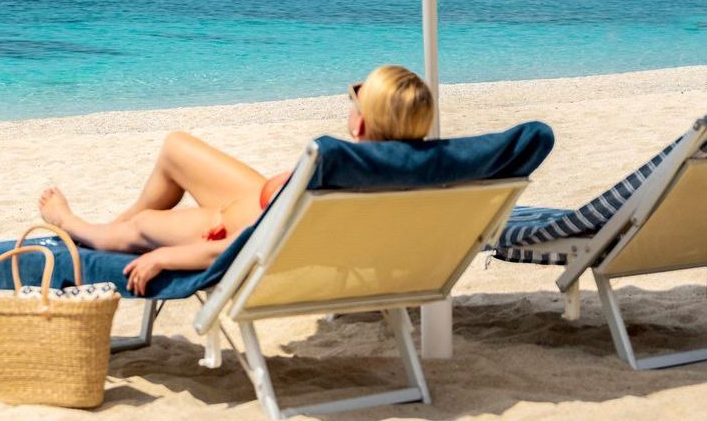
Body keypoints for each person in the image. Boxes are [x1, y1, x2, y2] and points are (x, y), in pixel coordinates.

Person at [39, 64, 433, 293]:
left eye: (356, 96)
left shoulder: (335, 172)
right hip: (257, 202)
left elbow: (251, 247)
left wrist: (166, 256)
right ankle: (110, 230)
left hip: (224, 231)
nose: (351, 100)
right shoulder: (402, 168)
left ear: (361, 120)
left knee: (141, 229)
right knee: (176, 147)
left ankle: (75, 226)